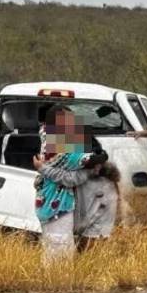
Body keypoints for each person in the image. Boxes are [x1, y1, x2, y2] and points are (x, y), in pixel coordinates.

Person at [33, 105, 107, 262]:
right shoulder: (60, 148)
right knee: (59, 249)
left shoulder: (49, 138)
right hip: (57, 206)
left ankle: (53, 280)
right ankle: (58, 283)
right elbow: (84, 163)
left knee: (54, 247)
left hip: (49, 204)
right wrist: (96, 163)